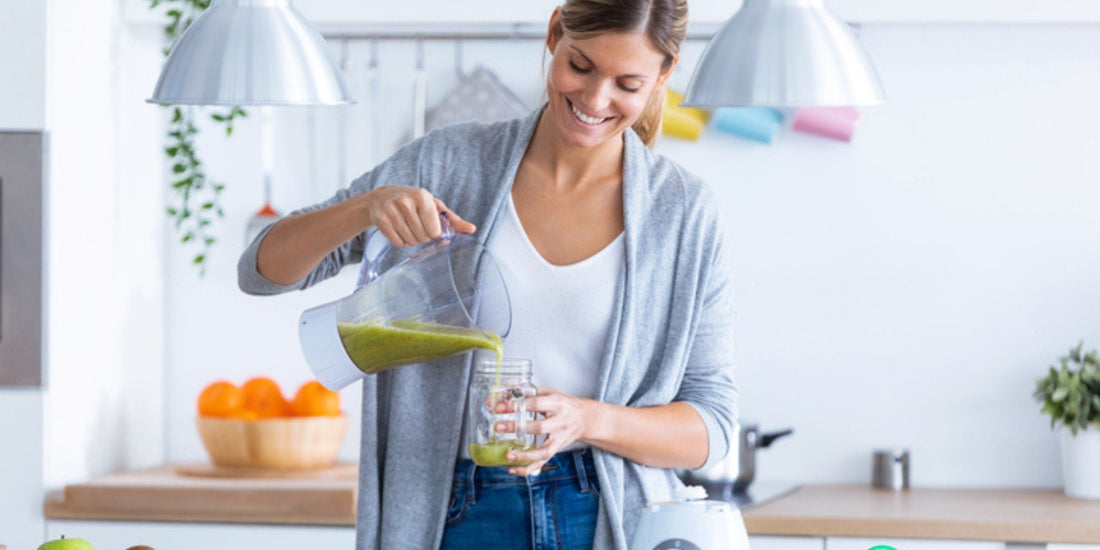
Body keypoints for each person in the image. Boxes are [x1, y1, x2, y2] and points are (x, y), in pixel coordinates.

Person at [238, 0, 737, 548]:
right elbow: (261, 272)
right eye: (581, 66)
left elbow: (711, 427)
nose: (595, 100)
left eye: (627, 83)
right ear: (554, 34)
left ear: (664, 74)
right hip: (452, 509)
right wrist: (367, 207)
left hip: (605, 516)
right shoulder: (447, 164)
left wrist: (585, 420)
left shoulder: (684, 212)